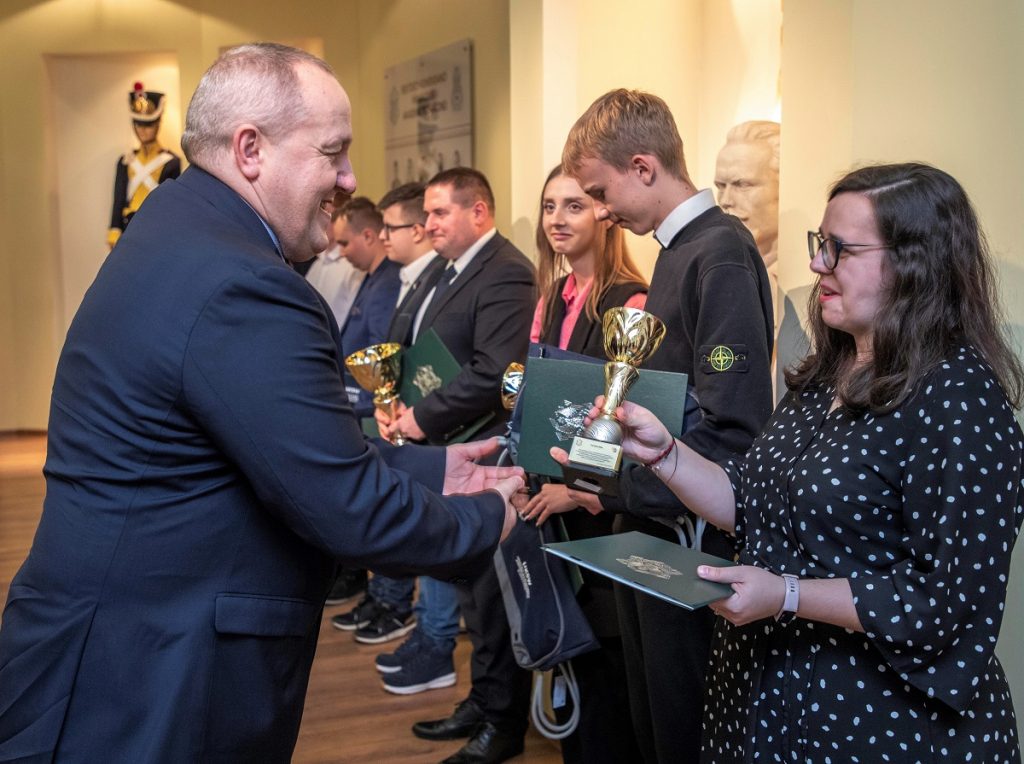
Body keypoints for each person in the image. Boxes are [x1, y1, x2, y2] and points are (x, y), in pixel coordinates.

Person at [0, 43, 524, 763]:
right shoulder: (246, 283)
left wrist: (433, 472)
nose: (350, 180)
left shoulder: (178, 228)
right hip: (150, 677)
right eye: (333, 154)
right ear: (251, 149)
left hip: (109, 650)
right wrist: (491, 515)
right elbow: (344, 506)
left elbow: (269, 446)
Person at [560, 162, 1024, 763]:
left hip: (878, 722)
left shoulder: (960, 401)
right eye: (818, 244)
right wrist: (665, 455)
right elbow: (748, 503)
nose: (817, 265)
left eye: (840, 250)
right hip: (764, 699)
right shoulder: (825, 373)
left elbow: (943, 601)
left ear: (917, 264)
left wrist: (786, 595)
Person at [560, 88, 775, 764]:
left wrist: (617, 488)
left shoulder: (720, 252)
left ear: (644, 167)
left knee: (684, 732)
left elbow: (731, 430)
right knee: (652, 725)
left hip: (690, 540)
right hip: (654, 524)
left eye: (600, 190)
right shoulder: (678, 251)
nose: (600, 210)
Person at [380, 167, 536, 764]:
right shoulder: (454, 268)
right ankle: (484, 700)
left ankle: (504, 722)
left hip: (487, 448)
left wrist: (420, 419)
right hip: (452, 443)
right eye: (427, 214)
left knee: (493, 594)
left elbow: (495, 373)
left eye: (440, 213)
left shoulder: (506, 271)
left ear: (479, 212)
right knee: (474, 590)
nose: (428, 224)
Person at [517, 165, 646, 763]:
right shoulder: (551, 297)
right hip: (553, 502)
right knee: (581, 679)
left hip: (601, 512)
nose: (557, 219)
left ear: (603, 211)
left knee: (610, 690)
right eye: (548, 207)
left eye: (573, 205)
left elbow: (638, 424)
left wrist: (577, 491)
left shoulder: (632, 302)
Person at [336, 196, 402, 419]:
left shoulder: (388, 282)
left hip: (366, 405)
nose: (341, 253)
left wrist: (364, 406)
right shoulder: (372, 277)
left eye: (344, 243)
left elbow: (379, 350)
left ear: (368, 236)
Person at [714, 120, 781, 328]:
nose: (725, 200)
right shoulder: (716, 274)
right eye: (720, 186)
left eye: (742, 185)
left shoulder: (803, 279)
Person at [107, 82, 182, 248]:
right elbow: (119, 199)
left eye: (148, 125)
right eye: (138, 124)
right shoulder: (126, 161)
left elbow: (171, 206)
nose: (143, 130)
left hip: (156, 228)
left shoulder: (171, 162)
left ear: (158, 123)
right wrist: (114, 230)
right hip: (128, 227)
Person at [304, 199, 366, 327]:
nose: (322, 222)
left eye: (330, 216)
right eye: (317, 215)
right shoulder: (316, 265)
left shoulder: (353, 265)